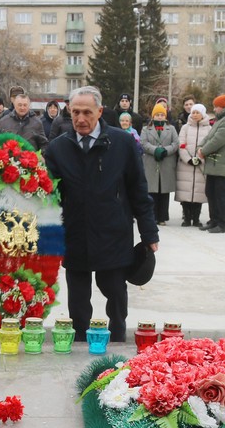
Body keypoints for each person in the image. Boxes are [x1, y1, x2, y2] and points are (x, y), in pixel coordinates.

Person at [44, 85, 159, 343]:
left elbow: (139, 190)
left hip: (113, 233)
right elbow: (48, 197)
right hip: (75, 234)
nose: (80, 119)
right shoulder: (57, 148)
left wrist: (149, 232)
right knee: (78, 302)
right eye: (75, 112)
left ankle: (117, 342)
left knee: (115, 295)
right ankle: (81, 347)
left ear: (100, 111)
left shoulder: (123, 143)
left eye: (87, 112)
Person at [197, 94, 225, 233]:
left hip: (221, 163)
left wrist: (203, 151)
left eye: (216, 106)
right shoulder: (221, 120)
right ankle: (214, 220)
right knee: (210, 192)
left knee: (220, 193)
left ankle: (223, 224)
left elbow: (218, 140)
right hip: (214, 163)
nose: (215, 109)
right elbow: (209, 137)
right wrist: (201, 147)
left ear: (222, 107)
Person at [140, 103, 179, 225]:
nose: (160, 117)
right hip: (151, 162)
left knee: (164, 191)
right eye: (157, 114)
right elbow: (143, 143)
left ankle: (162, 217)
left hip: (166, 162)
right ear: (153, 116)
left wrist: (165, 151)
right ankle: (152, 216)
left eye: (162, 114)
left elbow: (176, 143)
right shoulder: (146, 129)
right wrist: (155, 150)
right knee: (152, 191)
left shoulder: (171, 129)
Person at [175, 103, 210, 227]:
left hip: (200, 165)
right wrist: (188, 159)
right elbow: (181, 144)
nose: (195, 115)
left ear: (203, 114)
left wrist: (200, 158)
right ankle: (186, 218)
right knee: (186, 192)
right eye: (193, 112)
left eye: (197, 112)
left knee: (198, 193)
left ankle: (196, 218)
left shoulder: (208, 128)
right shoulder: (185, 127)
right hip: (186, 165)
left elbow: (209, 145)